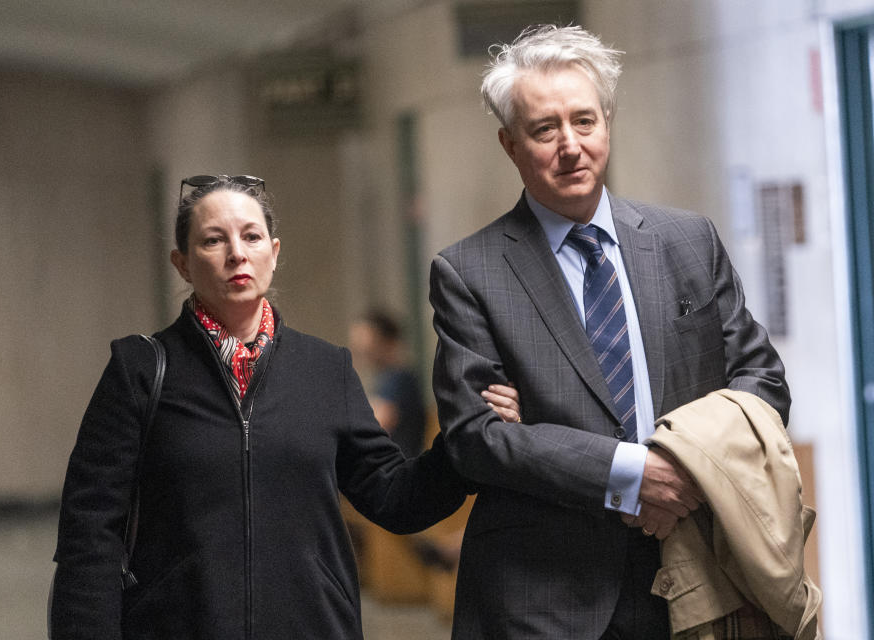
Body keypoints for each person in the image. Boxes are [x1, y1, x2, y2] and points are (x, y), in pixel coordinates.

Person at [428, 25, 790, 640]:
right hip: (544, 599)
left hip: (701, 572)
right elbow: (476, 439)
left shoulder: (686, 241)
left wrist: (682, 469)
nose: (571, 145)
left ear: (608, 124)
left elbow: (762, 383)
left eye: (585, 121)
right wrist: (628, 474)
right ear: (510, 144)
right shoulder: (470, 272)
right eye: (545, 129)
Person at [50, 174, 519, 640]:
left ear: (273, 254)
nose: (237, 253)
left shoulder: (324, 369)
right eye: (214, 240)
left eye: (251, 237)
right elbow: (89, 532)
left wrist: (465, 441)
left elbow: (394, 497)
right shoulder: (140, 370)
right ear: (183, 264)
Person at [347, 310, 427, 457]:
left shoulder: (399, 378)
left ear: (387, 341)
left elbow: (374, 424)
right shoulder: (387, 379)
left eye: (369, 344)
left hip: (400, 466)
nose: (363, 350)